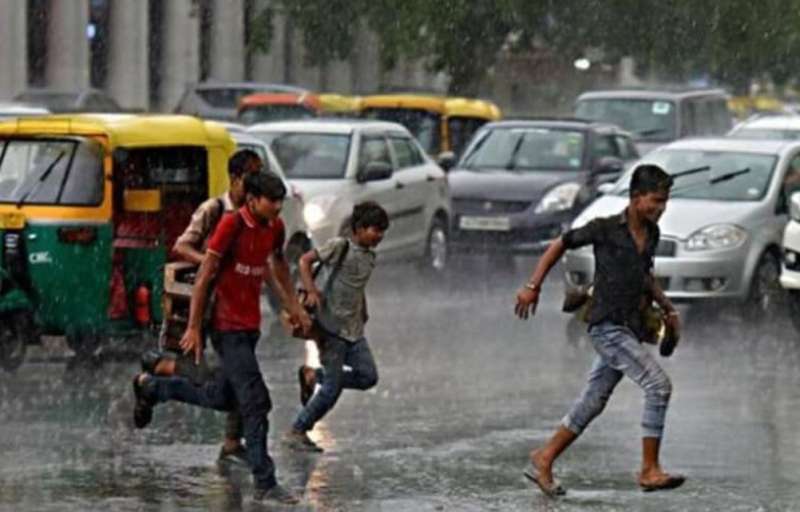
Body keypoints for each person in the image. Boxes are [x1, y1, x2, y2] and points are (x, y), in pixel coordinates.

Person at [132, 171, 311, 505]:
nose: (277, 207)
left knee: (224, 397)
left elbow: (278, 267)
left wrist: (294, 308)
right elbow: (204, 276)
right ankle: (265, 481)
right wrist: (193, 327)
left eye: (280, 201)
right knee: (256, 402)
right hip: (226, 327)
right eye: (271, 201)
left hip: (250, 326)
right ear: (252, 200)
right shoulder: (231, 224)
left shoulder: (275, 227)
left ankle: (153, 388)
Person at [514, 165, 685, 496]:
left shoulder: (652, 233)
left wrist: (668, 308)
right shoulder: (605, 229)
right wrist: (532, 286)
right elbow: (560, 243)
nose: (661, 208)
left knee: (593, 400)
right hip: (606, 326)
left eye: (665, 201)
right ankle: (649, 470)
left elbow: (645, 276)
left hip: (629, 328)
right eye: (655, 200)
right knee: (658, 386)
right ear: (636, 197)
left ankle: (544, 458)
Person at [140, 149, 261, 466]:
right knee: (203, 374)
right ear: (235, 178)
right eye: (251, 176)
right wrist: (211, 263)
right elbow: (181, 245)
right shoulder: (214, 209)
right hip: (204, 305)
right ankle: (155, 377)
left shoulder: (254, 213)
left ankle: (232, 442)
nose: (256, 183)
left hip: (235, 310)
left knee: (241, 375)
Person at [283, 202, 388, 453]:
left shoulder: (370, 257)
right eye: (375, 230)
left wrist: (363, 309)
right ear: (359, 229)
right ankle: (297, 430)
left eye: (382, 231)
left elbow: (357, 286)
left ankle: (313, 375)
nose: (380, 236)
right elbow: (305, 261)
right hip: (330, 327)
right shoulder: (340, 246)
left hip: (353, 329)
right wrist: (311, 291)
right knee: (331, 390)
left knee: (368, 376)